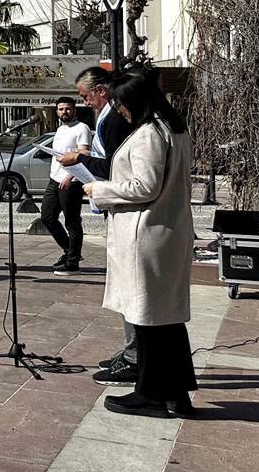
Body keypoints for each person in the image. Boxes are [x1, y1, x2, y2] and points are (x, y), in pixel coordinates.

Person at [81, 69, 198, 418]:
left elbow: (143, 187)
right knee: (165, 321)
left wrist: (98, 190)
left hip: (146, 234)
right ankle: (175, 394)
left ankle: (152, 393)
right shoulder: (173, 129)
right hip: (167, 232)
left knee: (148, 320)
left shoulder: (150, 134)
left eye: (120, 104)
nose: (119, 111)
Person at [60, 65, 138, 381]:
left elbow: (118, 169)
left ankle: (136, 356)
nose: (85, 103)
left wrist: (80, 160)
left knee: (132, 286)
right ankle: (133, 350)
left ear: (102, 91)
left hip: (126, 209)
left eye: (85, 97)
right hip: (113, 205)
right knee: (124, 284)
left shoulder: (119, 121)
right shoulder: (107, 118)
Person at [41, 95, 94, 276]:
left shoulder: (82, 128)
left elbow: (83, 153)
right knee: (47, 217)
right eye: (61, 109)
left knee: (72, 221)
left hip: (71, 181)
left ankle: (72, 263)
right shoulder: (61, 129)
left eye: (68, 108)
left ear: (75, 110)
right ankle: (69, 251)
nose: (65, 112)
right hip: (54, 179)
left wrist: (70, 176)